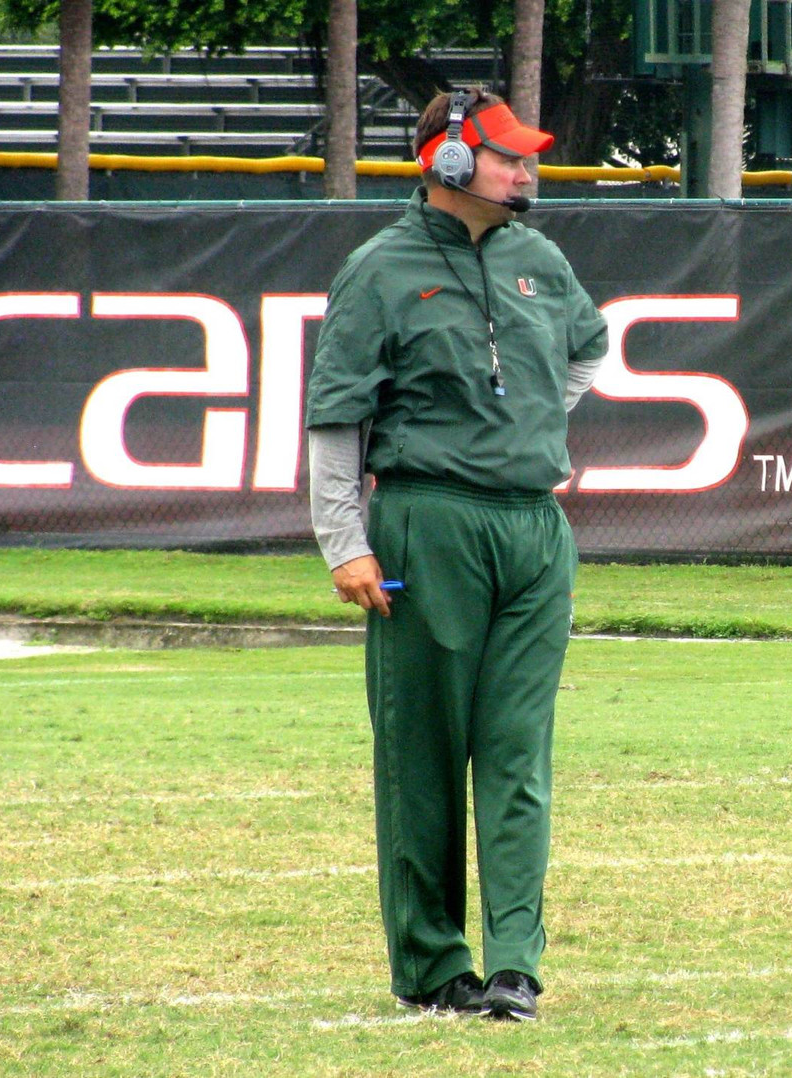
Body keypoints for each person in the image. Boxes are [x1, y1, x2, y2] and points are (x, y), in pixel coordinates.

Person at [304, 88, 609, 1022]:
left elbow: (588, 355)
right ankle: (437, 967)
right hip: (425, 528)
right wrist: (342, 541)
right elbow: (338, 414)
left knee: (518, 756)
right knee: (422, 758)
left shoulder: (541, 259)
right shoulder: (379, 268)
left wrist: (515, 425)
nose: (526, 171)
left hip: (533, 532)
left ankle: (515, 961)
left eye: (528, 158)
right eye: (508, 156)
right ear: (444, 162)